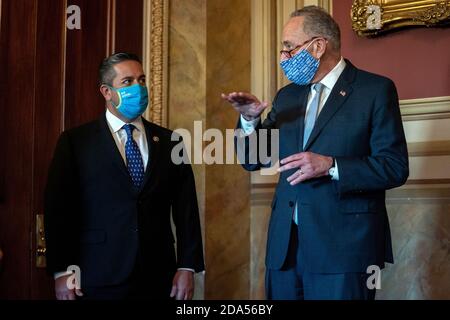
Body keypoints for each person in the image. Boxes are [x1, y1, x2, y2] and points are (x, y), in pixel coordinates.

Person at [222, 6, 408, 300]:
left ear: (318, 46)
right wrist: (249, 121)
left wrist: (332, 165)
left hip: (344, 252)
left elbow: (394, 166)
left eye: (289, 47)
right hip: (285, 251)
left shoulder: (375, 90)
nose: (283, 57)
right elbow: (252, 159)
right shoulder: (288, 96)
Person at [45, 52, 204, 300]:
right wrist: (61, 271)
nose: (138, 88)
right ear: (106, 92)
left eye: (141, 80)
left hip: (159, 276)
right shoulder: (76, 142)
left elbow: (187, 210)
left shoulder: (170, 141)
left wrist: (187, 266)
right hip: (97, 275)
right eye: (127, 82)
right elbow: (58, 210)